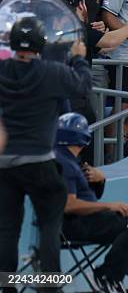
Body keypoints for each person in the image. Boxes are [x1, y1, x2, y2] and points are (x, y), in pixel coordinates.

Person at [0, 18, 91, 285]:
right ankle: (49, 286)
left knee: (6, 230)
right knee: (50, 224)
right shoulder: (52, 71)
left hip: (5, 164)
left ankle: (6, 287)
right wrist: (78, 59)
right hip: (40, 161)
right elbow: (83, 88)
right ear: (42, 43)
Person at [54, 112, 128, 292]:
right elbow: (69, 205)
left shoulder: (72, 161)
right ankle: (107, 275)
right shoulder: (63, 162)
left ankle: (112, 276)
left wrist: (100, 180)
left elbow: (89, 197)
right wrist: (109, 206)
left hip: (91, 220)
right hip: (78, 225)